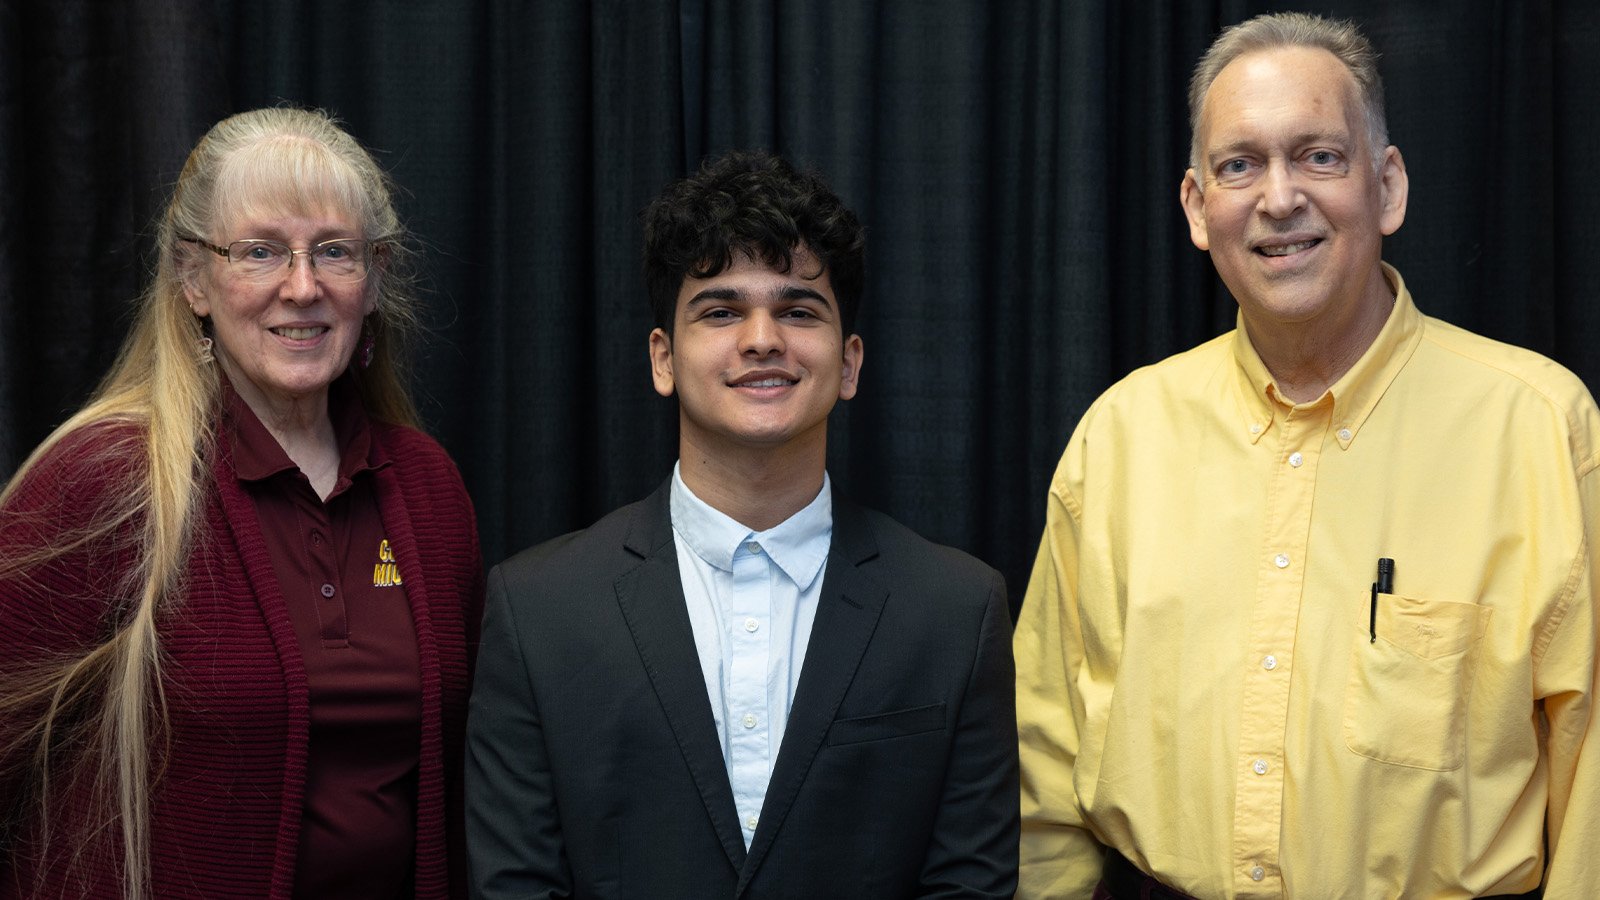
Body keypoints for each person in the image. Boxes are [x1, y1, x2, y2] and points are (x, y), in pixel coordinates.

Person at [1014, 12, 1599, 900]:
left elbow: (1590, 770)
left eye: (1319, 156)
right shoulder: (1121, 437)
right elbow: (1045, 762)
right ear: (1197, 208)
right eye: (1238, 165)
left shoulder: (1539, 428)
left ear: (1389, 187)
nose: (1278, 197)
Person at [466, 150, 1018, 899]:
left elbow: (968, 888)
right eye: (721, 310)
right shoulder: (538, 610)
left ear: (849, 364)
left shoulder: (957, 612)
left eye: (798, 310)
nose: (762, 338)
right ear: (663, 358)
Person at [0, 107, 483, 899]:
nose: (302, 287)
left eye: (335, 252)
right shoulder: (105, 482)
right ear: (193, 278)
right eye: (259, 252)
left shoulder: (428, 490)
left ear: (376, 277)